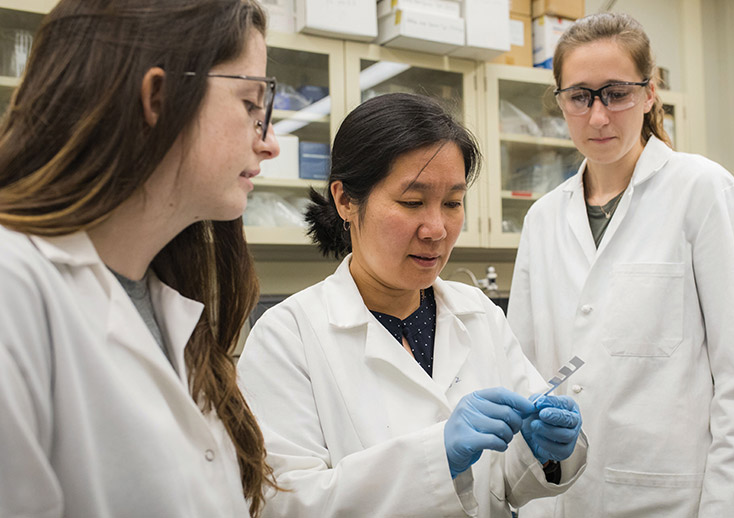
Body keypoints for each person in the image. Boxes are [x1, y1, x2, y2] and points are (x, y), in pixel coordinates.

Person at [237, 92, 588, 517]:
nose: (436, 228)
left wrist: (543, 450)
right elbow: (282, 503)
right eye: (412, 202)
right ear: (345, 200)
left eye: (453, 203)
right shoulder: (286, 337)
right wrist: (436, 457)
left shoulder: (479, 314)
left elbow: (503, 485)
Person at [0, 1, 280, 517]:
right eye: (250, 105)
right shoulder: (12, 289)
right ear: (159, 97)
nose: (270, 143)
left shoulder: (166, 303)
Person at [507, 12, 734, 518]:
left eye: (616, 93)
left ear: (649, 93)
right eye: (580, 97)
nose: (598, 116)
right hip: (558, 500)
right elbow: (523, 371)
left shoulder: (703, 192)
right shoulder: (543, 219)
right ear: (561, 102)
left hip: (671, 500)